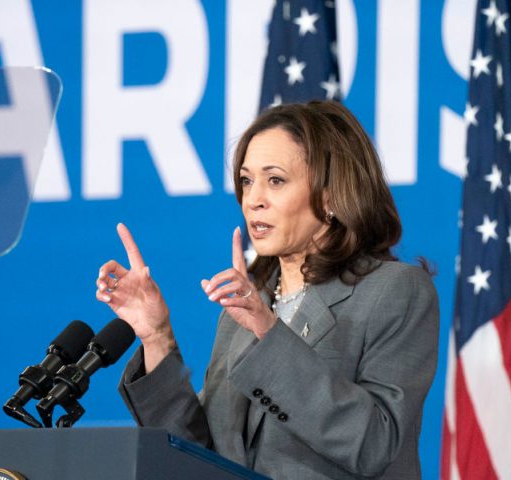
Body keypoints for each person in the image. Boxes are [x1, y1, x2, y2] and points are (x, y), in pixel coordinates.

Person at [94, 100, 439, 479]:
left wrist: (268, 331)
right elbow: (202, 458)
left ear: (330, 196)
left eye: (275, 180)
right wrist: (157, 337)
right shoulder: (245, 308)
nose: (253, 199)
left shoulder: (394, 290)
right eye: (246, 180)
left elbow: (375, 444)